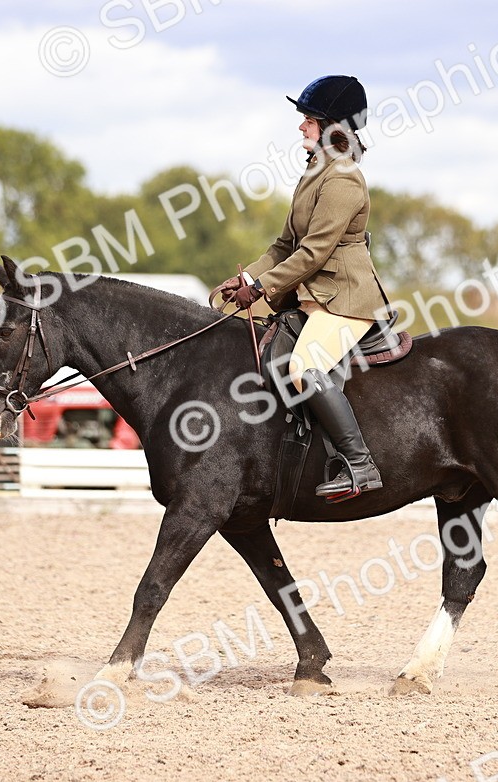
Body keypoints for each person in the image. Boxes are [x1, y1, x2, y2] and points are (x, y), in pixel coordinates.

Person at [215, 75, 392, 503]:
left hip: (345, 300)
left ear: (333, 126)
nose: (301, 126)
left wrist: (262, 287)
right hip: (314, 298)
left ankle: (360, 464)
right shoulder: (316, 171)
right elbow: (284, 246)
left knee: (304, 368)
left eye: (309, 120)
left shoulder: (343, 178)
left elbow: (314, 252)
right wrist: (246, 279)